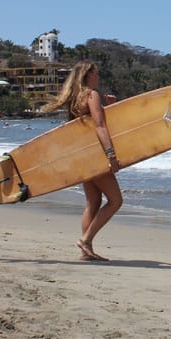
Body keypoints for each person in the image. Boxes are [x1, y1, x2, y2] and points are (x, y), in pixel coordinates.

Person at [44, 60, 123, 261]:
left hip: (81, 156)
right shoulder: (91, 95)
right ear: (88, 75)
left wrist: (112, 107)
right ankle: (86, 240)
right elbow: (99, 126)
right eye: (96, 73)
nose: (98, 77)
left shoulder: (75, 98)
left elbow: (85, 128)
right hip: (94, 157)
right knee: (115, 200)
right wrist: (111, 155)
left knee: (93, 202)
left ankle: (85, 252)